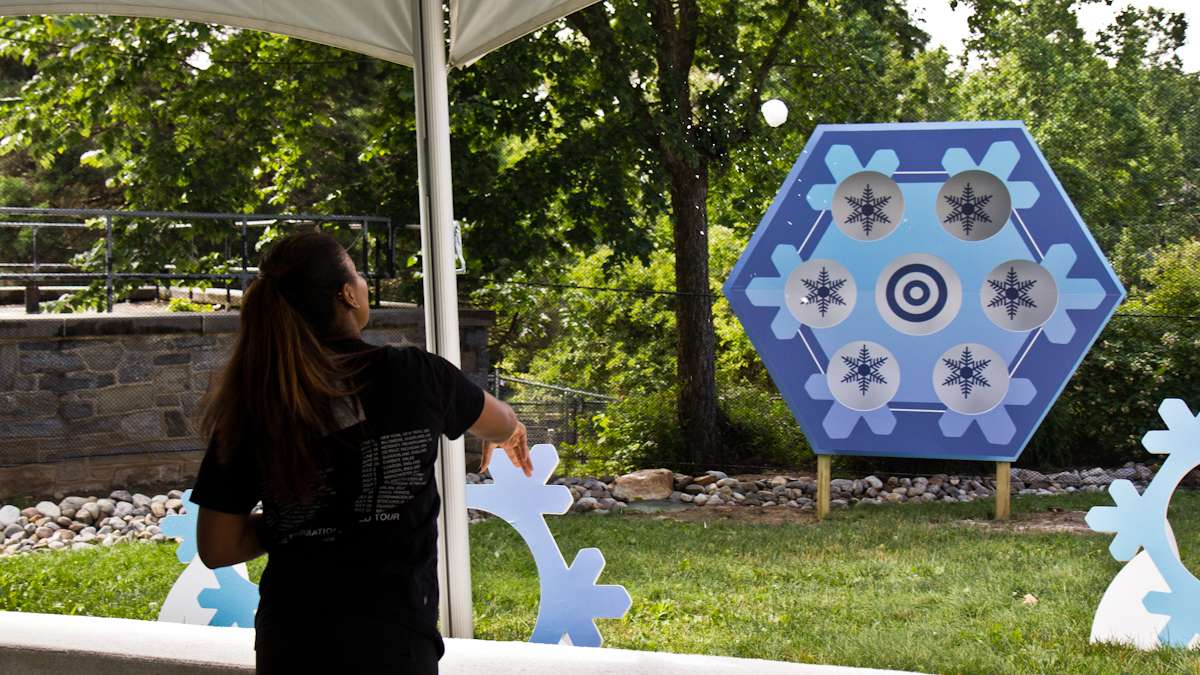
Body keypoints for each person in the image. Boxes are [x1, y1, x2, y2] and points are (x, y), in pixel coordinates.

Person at [189, 231, 530, 674]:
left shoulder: (256, 402)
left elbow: (218, 546)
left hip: (290, 642)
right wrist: (506, 431)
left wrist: (306, 518)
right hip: (392, 643)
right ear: (347, 294)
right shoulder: (414, 374)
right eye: (358, 272)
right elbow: (501, 420)